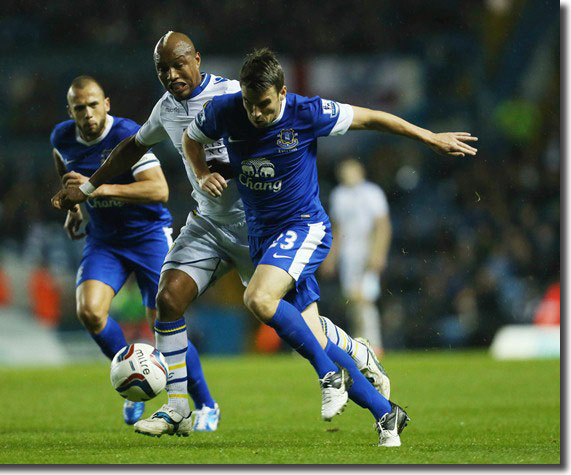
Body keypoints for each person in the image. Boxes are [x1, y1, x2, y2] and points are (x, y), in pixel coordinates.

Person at [51, 32, 391, 438]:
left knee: (306, 330)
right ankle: (177, 406)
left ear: (197, 59)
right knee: (168, 299)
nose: (172, 75)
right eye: (163, 70)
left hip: (258, 225)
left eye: (179, 65)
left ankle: (358, 359)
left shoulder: (236, 96)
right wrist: (87, 189)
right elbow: (132, 146)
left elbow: (281, 134)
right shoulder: (165, 109)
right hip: (209, 224)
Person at [182, 48, 477, 446]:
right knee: (312, 336)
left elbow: (372, 117)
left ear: (283, 93)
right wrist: (202, 172)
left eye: (265, 105)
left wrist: (427, 137)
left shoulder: (308, 112)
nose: (257, 114)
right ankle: (386, 413)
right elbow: (190, 137)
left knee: (258, 298)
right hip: (263, 237)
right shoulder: (225, 110)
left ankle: (329, 375)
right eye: (251, 105)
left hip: (304, 228)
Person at [50, 75, 219, 430]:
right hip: (104, 240)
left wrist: (94, 190)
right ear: (71, 111)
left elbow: (159, 190)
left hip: (147, 236)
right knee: (90, 313)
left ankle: (206, 403)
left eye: (94, 105)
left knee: (165, 324)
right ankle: (135, 381)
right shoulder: (62, 137)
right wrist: (73, 209)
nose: (88, 113)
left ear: (106, 104)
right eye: (79, 108)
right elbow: (63, 165)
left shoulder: (125, 133)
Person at [321, 158, 391, 355]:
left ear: (361, 172)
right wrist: (331, 258)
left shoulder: (372, 192)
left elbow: (382, 225)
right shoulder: (339, 195)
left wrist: (378, 253)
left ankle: (374, 343)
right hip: (348, 254)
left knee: (365, 297)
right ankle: (361, 343)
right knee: (352, 299)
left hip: (367, 249)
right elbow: (337, 229)